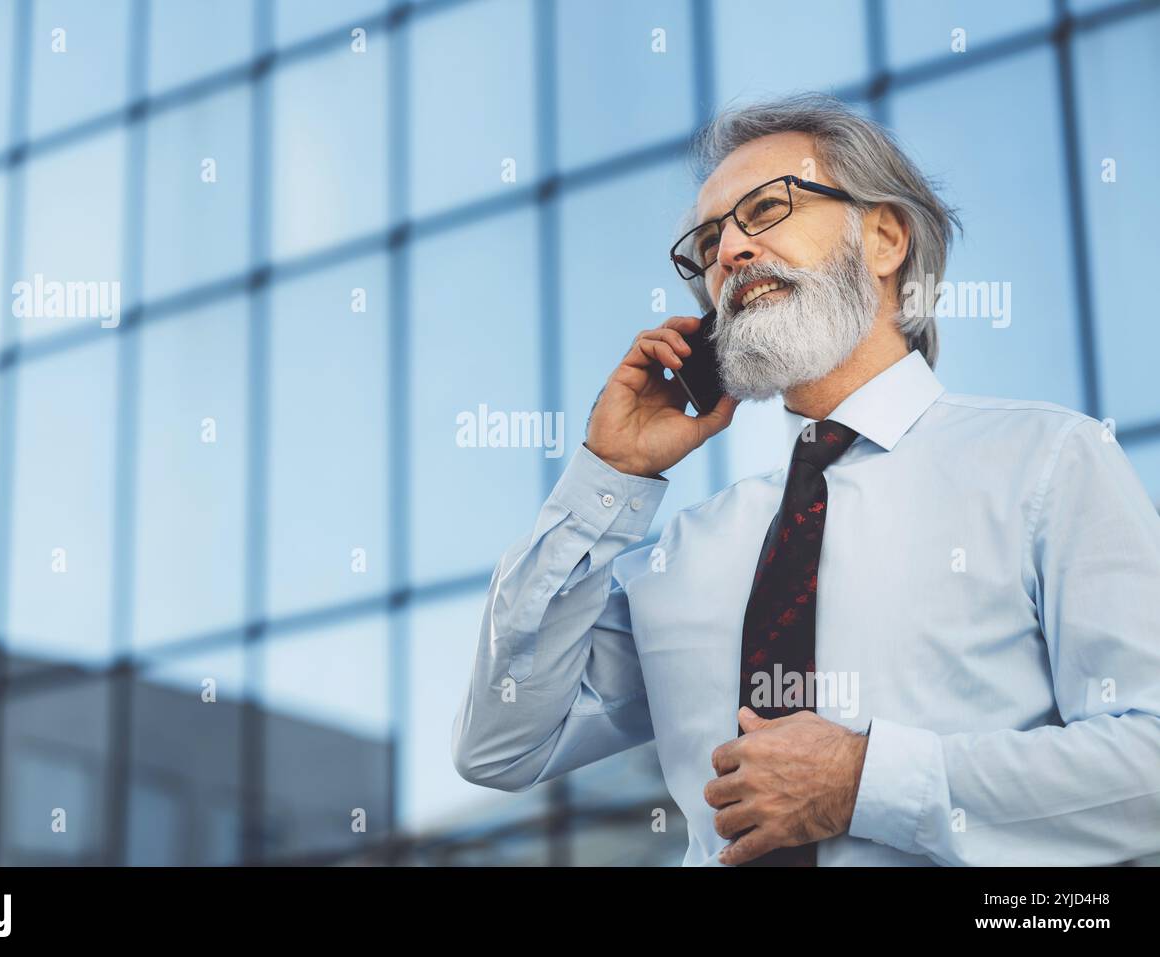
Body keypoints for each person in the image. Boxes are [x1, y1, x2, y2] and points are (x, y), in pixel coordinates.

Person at [451, 93, 1160, 866]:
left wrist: (865, 780)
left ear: (886, 237)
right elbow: (501, 744)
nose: (729, 253)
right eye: (710, 240)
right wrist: (607, 476)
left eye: (766, 209)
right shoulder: (685, 552)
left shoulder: (1047, 461)